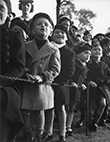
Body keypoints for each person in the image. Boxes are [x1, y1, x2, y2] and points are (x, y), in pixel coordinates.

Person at [20, 13, 61, 142]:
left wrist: (42, 77)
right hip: (27, 83)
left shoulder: (54, 49)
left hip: (43, 85)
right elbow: (21, 63)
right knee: (25, 110)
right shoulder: (26, 46)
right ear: (32, 30)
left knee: (39, 111)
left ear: (50, 31)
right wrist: (26, 73)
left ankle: (39, 135)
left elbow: (55, 69)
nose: (43, 26)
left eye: (46, 25)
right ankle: (27, 133)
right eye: (39, 24)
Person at [0, 0, 25, 141]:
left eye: (1, 8)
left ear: (8, 13)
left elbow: (18, 67)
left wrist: (2, 81)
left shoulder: (15, 36)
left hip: (7, 87)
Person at [51, 24, 76, 142]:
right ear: (52, 34)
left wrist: (58, 80)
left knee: (61, 107)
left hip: (61, 83)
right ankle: (48, 131)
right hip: (47, 82)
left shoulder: (70, 52)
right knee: (48, 108)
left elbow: (70, 70)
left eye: (63, 33)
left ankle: (62, 133)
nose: (60, 34)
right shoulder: (48, 47)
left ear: (66, 37)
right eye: (57, 32)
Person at [66, 41, 91, 135]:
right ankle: (64, 125)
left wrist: (83, 83)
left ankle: (68, 126)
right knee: (66, 107)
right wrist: (71, 81)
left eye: (89, 54)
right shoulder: (73, 63)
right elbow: (69, 74)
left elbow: (84, 78)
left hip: (77, 90)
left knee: (72, 107)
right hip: (69, 87)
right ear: (77, 55)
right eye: (85, 53)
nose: (88, 56)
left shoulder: (86, 67)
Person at [86, 42, 108, 130]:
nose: (97, 51)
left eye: (99, 50)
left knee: (103, 103)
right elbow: (84, 76)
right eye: (95, 50)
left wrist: (107, 83)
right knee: (91, 107)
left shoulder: (104, 65)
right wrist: (89, 81)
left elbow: (108, 76)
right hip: (91, 88)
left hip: (101, 88)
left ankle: (96, 121)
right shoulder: (89, 64)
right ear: (91, 52)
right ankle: (90, 123)